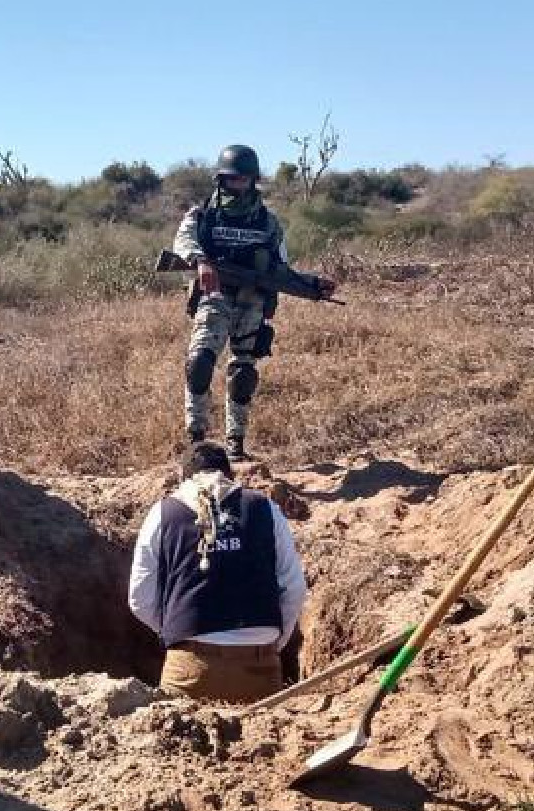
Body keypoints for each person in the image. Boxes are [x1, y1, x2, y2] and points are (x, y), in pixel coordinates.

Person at [170, 145, 335, 461]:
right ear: (222, 179)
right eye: (232, 179)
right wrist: (201, 261)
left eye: (243, 179)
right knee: (200, 363)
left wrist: (313, 285)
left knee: (243, 373)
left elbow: (281, 269)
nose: (237, 185)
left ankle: (236, 442)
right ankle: (197, 438)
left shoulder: (267, 221)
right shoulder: (203, 214)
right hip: (214, 296)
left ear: (253, 180)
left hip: (252, 302)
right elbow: (183, 242)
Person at [128, 442, 308, 704]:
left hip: (190, 670)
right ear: (230, 475)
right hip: (259, 669)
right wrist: (273, 643)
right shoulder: (265, 509)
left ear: (183, 478)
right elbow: (294, 588)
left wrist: (176, 632)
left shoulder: (162, 514)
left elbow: (140, 598)